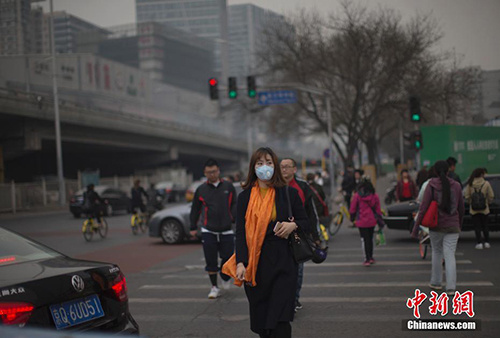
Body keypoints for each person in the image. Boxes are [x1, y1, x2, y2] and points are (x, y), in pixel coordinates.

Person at [222, 147, 309, 338]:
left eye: (269, 162)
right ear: (253, 168)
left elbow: (305, 222)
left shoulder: (287, 193)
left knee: (280, 320)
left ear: (275, 166)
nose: (264, 167)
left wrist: (291, 225)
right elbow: (241, 232)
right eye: (259, 163)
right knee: (262, 322)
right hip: (256, 265)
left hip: (283, 262)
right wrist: (240, 263)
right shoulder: (244, 197)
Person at [413, 160, 464, 295]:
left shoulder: (431, 185)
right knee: (450, 255)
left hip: (436, 225)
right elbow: (461, 208)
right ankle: (451, 287)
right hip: (453, 225)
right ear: (448, 171)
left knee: (436, 252)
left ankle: (436, 282)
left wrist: (415, 227)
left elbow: (423, 208)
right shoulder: (457, 186)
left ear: (435, 171)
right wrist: (459, 223)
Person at [190, 159, 237, 299]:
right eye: (209, 172)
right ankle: (214, 287)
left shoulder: (228, 186)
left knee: (228, 257)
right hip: (208, 230)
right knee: (211, 260)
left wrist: (234, 219)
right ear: (205, 173)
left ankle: (225, 275)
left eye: (215, 171)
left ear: (219, 171)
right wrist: (193, 227)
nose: (212, 174)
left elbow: (235, 204)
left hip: (227, 229)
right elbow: (195, 209)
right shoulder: (201, 189)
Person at [280, 158, 320, 313]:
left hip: (300, 235)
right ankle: (284, 299)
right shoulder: (273, 186)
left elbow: (311, 213)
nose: (284, 170)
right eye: (281, 167)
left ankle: (294, 298)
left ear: (294, 169)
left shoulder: (303, 186)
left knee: (298, 270)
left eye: (287, 167)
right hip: (279, 235)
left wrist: (315, 237)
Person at [349, 179, 382, 266]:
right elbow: (378, 209)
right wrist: (379, 219)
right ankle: (371, 257)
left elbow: (352, 208)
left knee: (364, 239)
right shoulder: (375, 196)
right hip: (372, 221)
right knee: (370, 239)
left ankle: (366, 259)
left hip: (361, 221)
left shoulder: (357, 196)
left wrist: (352, 218)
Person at [464, 168, 494, 249]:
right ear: (481, 174)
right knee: (485, 226)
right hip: (484, 209)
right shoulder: (486, 183)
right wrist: (487, 202)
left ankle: (479, 242)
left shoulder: (470, 184)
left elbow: (467, 196)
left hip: (474, 210)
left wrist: (471, 202)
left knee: (477, 226)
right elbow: (491, 195)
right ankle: (487, 242)